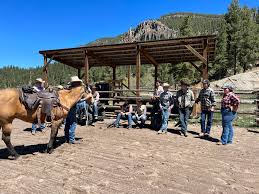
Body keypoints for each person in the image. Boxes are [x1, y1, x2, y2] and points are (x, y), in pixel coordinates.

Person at [64, 76, 83, 144]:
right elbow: (77, 100)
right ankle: (71, 139)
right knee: (73, 123)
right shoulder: (75, 90)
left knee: (67, 123)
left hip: (66, 107)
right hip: (72, 108)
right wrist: (84, 99)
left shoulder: (68, 89)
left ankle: (66, 138)